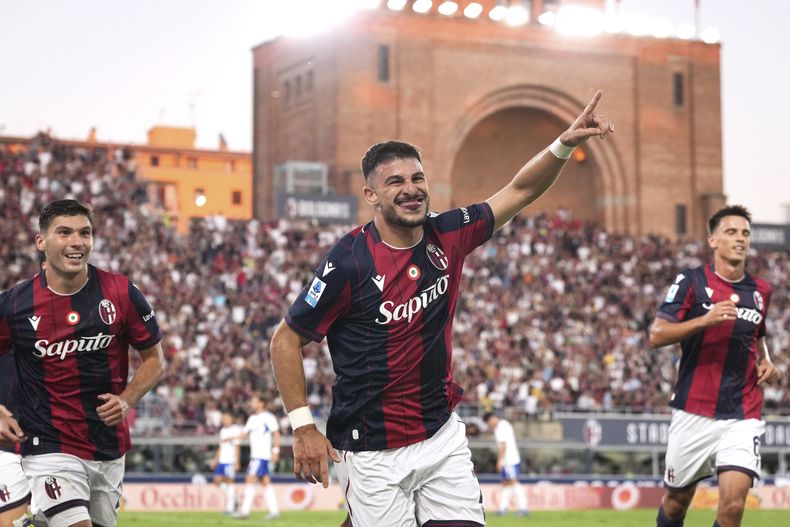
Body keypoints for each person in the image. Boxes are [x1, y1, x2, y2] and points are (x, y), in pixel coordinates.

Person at [270, 90, 614, 526]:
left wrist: (564, 143)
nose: (411, 189)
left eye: (417, 178)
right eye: (395, 182)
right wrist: (303, 427)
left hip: (439, 434)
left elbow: (521, 189)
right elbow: (285, 339)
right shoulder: (348, 261)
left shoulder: (449, 234)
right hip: (370, 446)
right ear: (371, 196)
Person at [0, 199, 167, 527]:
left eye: (84, 233)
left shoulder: (119, 291)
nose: (77, 242)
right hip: (48, 443)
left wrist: (126, 399)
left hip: (108, 444)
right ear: (41, 242)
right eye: (64, 233)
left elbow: (155, 359)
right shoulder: (14, 305)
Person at [649, 205, 780, 527]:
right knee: (677, 503)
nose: (740, 239)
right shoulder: (691, 281)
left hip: (742, 412)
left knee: (733, 507)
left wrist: (767, 360)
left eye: (745, 233)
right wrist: (704, 320)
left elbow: (758, 333)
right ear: (712, 239)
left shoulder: (761, 291)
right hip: (693, 411)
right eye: (731, 232)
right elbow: (657, 334)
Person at [230, 393, 281, 520]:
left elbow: (276, 434)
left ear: (261, 403)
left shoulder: (268, 417)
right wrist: (231, 437)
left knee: (250, 479)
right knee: (265, 482)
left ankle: (244, 512)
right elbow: (243, 434)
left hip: (261, 455)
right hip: (255, 456)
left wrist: (275, 450)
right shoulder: (252, 418)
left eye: (253, 401)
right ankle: (274, 511)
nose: (251, 403)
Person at [483, 413, 528, 516]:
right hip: (510, 459)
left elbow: (503, 445)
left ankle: (523, 508)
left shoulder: (501, 427)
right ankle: (503, 508)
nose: (489, 425)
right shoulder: (504, 425)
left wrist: (500, 460)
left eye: (488, 423)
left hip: (509, 460)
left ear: (492, 419)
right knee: (506, 483)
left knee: (513, 482)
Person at [210, 411, 241, 515]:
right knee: (217, 480)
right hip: (222, 460)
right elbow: (221, 446)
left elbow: (237, 446)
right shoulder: (222, 431)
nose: (224, 421)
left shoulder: (235, 429)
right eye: (223, 419)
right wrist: (215, 459)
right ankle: (235, 498)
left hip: (230, 461)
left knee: (229, 482)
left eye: (226, 418)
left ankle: (230, 507)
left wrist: (237, 461)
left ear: (231, 419)